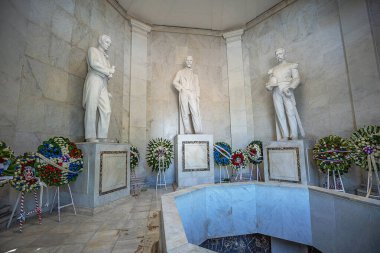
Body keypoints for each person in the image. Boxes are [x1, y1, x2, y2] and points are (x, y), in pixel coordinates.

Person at [266, 48, 305, 141]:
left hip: (287, 89)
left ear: (285, 55)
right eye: (277, 55)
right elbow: (270, 82)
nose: (278, 56)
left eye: (280, 54)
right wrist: (268, 86)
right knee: (280, 114)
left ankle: (294, 135)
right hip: (276, 90)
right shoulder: (273, 70)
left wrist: (290, 87)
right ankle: (285, 135)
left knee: (290, 112)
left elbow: (297, 79)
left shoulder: (291, 65)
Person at [82, 34, 115, 142]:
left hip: (103, 84)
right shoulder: (93, 50)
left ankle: (102, 136)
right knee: (91, 107)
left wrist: (109, 74)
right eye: (107, 42)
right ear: (100, 41)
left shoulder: (107, 58)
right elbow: (93, 63)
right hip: (94, 79)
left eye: (109, 43)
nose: (108, 45)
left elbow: (106, 73)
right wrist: (108, 71)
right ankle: (90, 136)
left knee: (107, 110)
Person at [173, 56, 202, 134]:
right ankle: (187, 129)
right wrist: (181, 88)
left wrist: (198, 96)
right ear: (186, 61)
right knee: (184, 111)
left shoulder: (195, 75)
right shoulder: (180, 72)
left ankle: (198, 130)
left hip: (192, 93)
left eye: (191, 60)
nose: (189, 62)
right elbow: (175, 82)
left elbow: (197, 86)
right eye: (188, 60)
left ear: (192, 62)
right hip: (184, 92)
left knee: (195, 111)